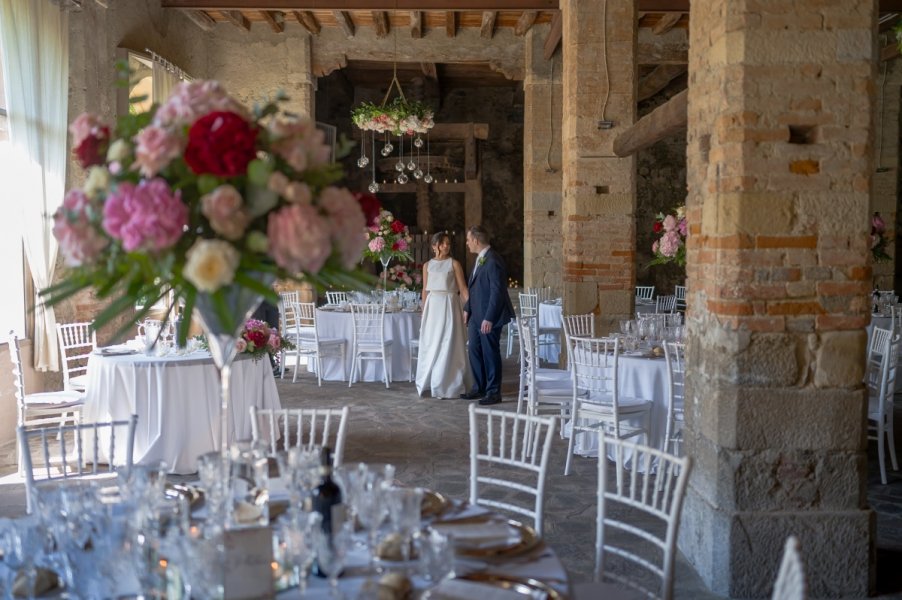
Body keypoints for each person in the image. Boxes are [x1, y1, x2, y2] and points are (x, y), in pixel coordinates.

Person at [462, 226, 515, 406]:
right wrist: (467, 308)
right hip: (476, 314)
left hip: (488, 317)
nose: (467, 243)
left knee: (490, 352)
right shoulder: (480, 259)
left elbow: (497, 292)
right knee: (475, 350)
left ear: (476, 240)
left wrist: (489, 318)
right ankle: (479, 387)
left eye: (468, 240)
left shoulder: (493, 260)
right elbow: (474, 287)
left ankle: (493, 392)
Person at [416, 232, 472, 399]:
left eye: (448, 243)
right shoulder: (427, 265)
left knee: (448, 342)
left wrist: (469, 307)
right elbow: (425, 290)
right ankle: (431, 382)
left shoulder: (454, 264)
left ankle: (446, 384)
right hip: (433, 306)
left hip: (449, 304)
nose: (446, 246)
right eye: (442, 243)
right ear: (434, 246)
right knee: (433, 343)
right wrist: (424, 309)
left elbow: (463, 289)